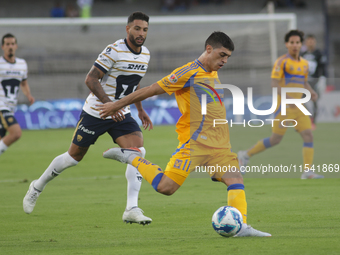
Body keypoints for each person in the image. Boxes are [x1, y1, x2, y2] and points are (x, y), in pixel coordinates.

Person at [98, 31, 271, 237]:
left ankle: (241, 226)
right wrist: (116, 105)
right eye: (222, 55)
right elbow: (152, 89)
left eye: (228, 57)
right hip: (195, 143)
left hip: (220, 145)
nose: (224, 60)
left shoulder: (212, 70)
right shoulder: (187, 73)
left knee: (235, 178)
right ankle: (132, 157)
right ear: (209, 49)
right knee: (166, 187)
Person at [23, 12, 153, 225]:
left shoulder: (145, 54)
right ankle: (37, 186)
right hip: (97, 111)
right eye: (137, 28)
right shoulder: (114, 50)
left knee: (138, 152)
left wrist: (139, 109)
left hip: (122, 112)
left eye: (145, 29)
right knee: (73, 158)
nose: (141, 33)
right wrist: (108, 105)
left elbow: (134, 83)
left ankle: (132, 208)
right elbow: (91, 79)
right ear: (128, 29)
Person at [237, 30, 323, 180]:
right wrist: (289, 99)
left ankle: (307, 171)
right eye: (292, 42)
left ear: (300, 44)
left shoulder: (304, 64)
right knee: (275, 139)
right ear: (286, 44)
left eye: (297, 42)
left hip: (299, 107)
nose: (295, 45)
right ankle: (245, 154)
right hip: (284, 107)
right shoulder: (282, 62)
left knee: (308, 135)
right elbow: (274, 84)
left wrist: (311, 92)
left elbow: (303, 82)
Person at [0, 33, 35, 157]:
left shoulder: (22, 64)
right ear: (3, 47)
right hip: (1, 106)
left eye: (12, 44)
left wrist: (29, 95)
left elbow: (24, 83)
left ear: (16, 46)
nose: (10, 46)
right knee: (16, 133)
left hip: (11, 107)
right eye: (7, 44)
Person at [300, 34, 327, 129]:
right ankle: (307, 118)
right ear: (306, 42)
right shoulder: (302, 54)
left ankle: (313, 122)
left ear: (314, 42)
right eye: (309, 41)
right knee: (300, 101)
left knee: (314, 101)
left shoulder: (319, 53)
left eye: (312, 41)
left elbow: (323, 67)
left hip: (315, 81)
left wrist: (323, 79)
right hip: (304, 81)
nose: (310, 43)